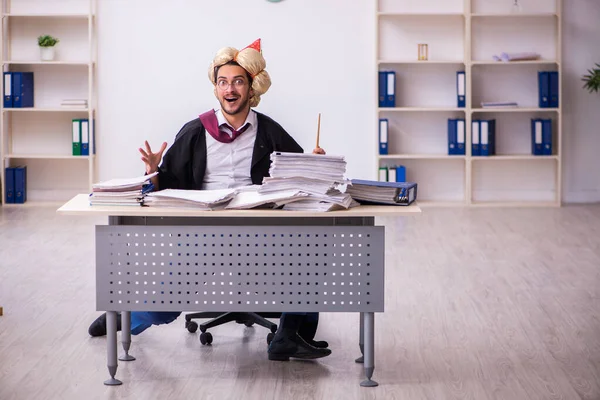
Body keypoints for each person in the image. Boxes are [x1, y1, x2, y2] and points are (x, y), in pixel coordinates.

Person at [88, 39, 331, 361]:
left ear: (251, 89)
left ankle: (287, 337)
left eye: (238, 82)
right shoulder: (195, 132)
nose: (230, 89)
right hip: (203, 234)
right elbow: (168, 188)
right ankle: (122, 317)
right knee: (162, 311)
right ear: (216, 89)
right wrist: (153, 170)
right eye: (223, 82)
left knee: (310, 253)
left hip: (259, 231)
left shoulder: (269, 131)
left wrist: (312, 163)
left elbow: (295, 176)